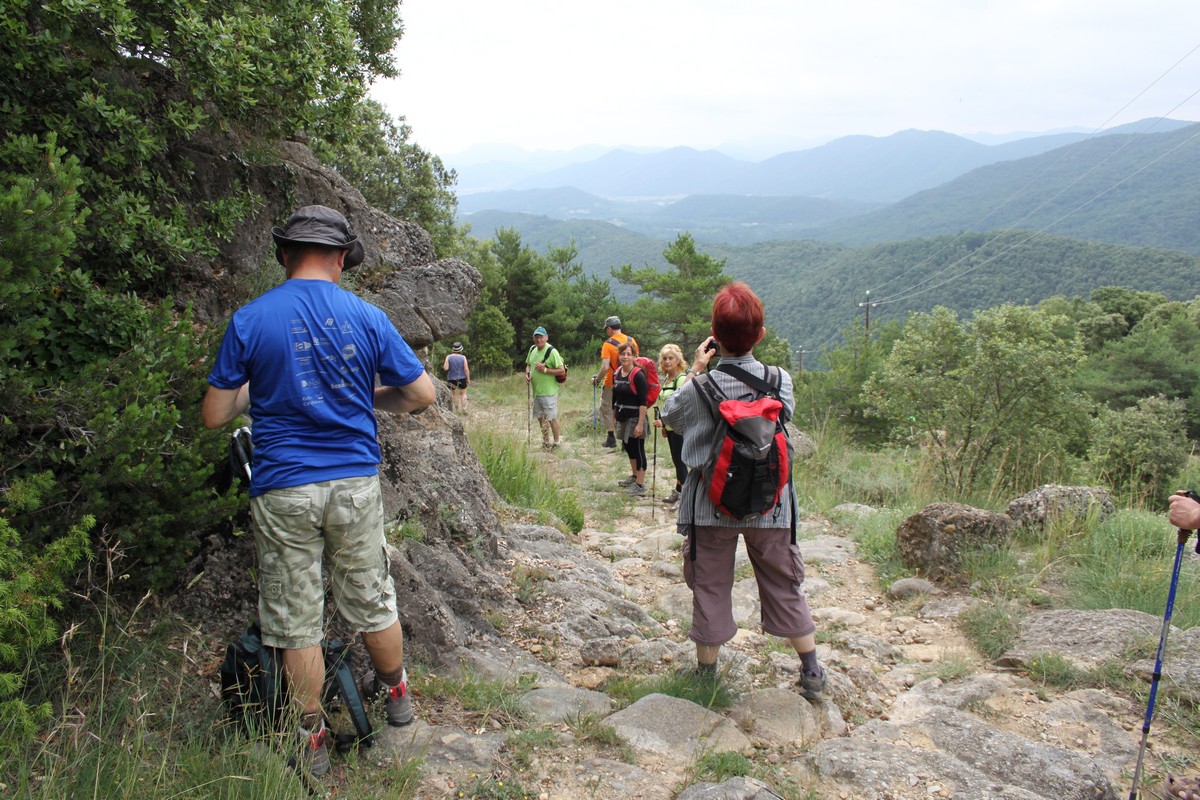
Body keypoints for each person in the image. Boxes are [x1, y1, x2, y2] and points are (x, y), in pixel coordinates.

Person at [201, 205, 437, 776]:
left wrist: (261, 389)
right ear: (341, 259)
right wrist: (366, 398)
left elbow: (214, 414)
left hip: (283, 486)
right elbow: (422, 395)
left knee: (294, 619)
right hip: (353, 481)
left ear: (285, 254)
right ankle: (399, 709)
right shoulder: (368, 316)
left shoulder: (251, 319)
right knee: (372, 598)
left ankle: (314, 746)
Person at [660, 281, 824, 698]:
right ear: (760, 335)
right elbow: (784, 417)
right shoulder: (779, 379)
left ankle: (706, 677)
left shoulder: (698, 388)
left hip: (709, 505)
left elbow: (670, 417)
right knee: (783, 581)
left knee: (710, 584)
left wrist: (696, 369)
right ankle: (811, 670)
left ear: (714, 336)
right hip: (772, 503)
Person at [653, 343, 691, 506]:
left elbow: (679, 405)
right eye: (664, 358)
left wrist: (664, 421)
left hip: (680, 427)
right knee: (677, 461)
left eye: (671, 358)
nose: (667, 361)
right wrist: (664, 426)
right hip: (671, 427)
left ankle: (685, 498)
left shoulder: (682, 379)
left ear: (678, 360)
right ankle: (678, 490)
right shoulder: (668, 379)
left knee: (680, 463)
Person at [592, 315, 637, 449]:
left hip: (611, 383)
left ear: (610, 329)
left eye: (606, 329)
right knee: (626, 408)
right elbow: (636, 361)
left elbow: (605, 367)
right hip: (630, 382)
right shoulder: (631, 341)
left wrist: (597, 379)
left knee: (607, 408)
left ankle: (611, 437)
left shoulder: (608, 344)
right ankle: (626, 440)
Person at [612, 341, 650, 496]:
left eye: (629, 354)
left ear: (634, 356)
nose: (625, 357)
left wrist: (640, 424)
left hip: (635, 418)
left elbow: (643, 402)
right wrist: (614, 415)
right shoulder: (617, 372)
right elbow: (615, 397)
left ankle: (640, 485)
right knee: (628, 447)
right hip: (622, 417)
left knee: (638, 450)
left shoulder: (638, 375)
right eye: (623, 354)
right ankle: (634, 477)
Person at [524, 326, 566, 450]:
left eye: (541, 337)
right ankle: (546, 442)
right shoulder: (532, 349)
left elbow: (561, 370)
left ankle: (557, 443)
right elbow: (528, 364)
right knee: (541, 418)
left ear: (546, 337)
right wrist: (527, 373)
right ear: (533, 338)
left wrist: (545, 370)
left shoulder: (552, 351)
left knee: (552, 418)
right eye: (536, 337)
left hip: (549, 392)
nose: (539, 339)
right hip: (536, 392)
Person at [443, 341, 470, 413]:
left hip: (451, 378)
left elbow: (445, 368)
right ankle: (464, 409)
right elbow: (466, 369)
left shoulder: (448, 357)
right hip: (462, 378)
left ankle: (457, 409)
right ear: (461, 349)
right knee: (463, 394)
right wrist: (468, 379)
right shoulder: (463, 357)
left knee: (454, 395)